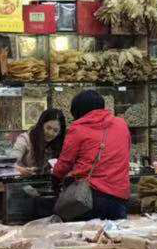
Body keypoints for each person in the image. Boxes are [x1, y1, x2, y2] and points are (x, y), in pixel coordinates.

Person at [52, 89, 131, 220]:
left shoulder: (77, 129)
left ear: (78, 111)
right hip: (119, 197)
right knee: (115, 232)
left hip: (89, 198)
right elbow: (125, 152)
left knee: (84, 233)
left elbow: (65, 163)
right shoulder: (121, 124)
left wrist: (55, 178)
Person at [13, 109, 66, 177]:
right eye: (48, 128)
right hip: (25, 181)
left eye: (55, 130)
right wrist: (21, 170)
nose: (50, 133)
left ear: (60, 132)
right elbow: (10, 164)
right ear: (41, 125)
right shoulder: (25, 139)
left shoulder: (60, 143)